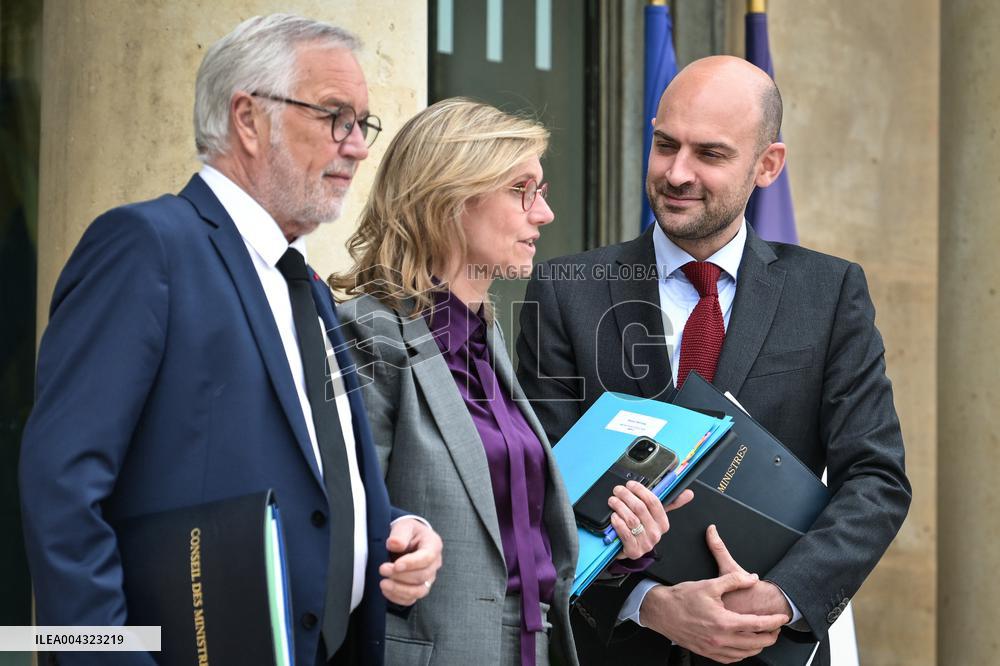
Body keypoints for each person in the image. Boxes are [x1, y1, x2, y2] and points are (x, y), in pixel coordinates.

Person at [18, 14, 442, 666]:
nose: (357, 145)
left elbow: (309, 483)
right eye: (335, 117)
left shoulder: (309, 290)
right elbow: (62, 493)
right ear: (248, 118)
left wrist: (394, 534)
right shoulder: (147, 247)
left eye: (363, 124)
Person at [516, 55, 912, 665]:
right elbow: (541, 487)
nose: (677, 173)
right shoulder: (566, 289)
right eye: (665, 144)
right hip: (614, 648)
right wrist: (646, 603)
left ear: (767, 165)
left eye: (710, 154)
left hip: (768, 644)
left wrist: (783, 598)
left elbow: (876, 478)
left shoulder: (829, 294)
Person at [331, 97, 687, 666]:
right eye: (522, 190)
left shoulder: (487, 339)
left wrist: (621, 548)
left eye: (540, 191)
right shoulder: (369, 334)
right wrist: (393, 546)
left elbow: (518, 540)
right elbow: (342, 525)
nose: (542, 214)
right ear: (450, 198)